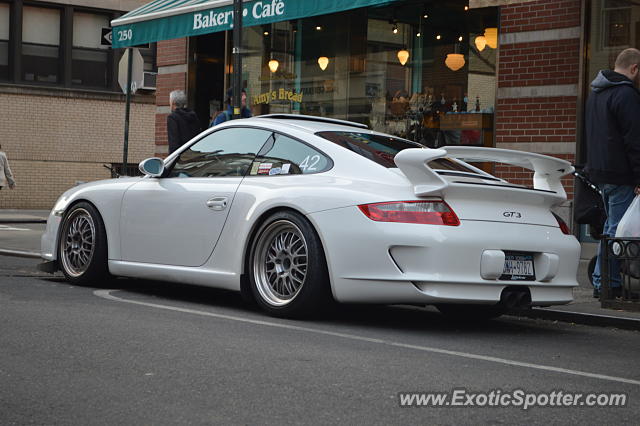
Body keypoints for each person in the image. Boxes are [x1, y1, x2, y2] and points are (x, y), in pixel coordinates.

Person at [586, 48, 640, 298]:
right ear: (634, 68)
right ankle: (606, 283)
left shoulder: (596, 93)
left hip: (601, 171)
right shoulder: (626, 94)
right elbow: (634, 140)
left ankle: (605, 280)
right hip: (620, 174)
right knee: (617, 231)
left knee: (611, 228)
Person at [167, 90, 201, 154]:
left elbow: (173, 143)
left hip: (181, 157)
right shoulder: (193, 116)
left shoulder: (173, 117)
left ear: (173, 102)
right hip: (194, 154)